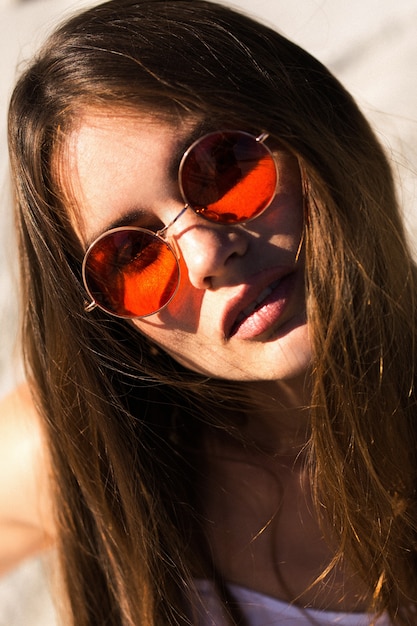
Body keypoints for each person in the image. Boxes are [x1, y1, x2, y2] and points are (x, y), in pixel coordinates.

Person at [2, 0, 417, 623]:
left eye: (223, 167)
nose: (204, 256)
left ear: (315, 132)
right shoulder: (80, 458)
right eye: (132, 254)